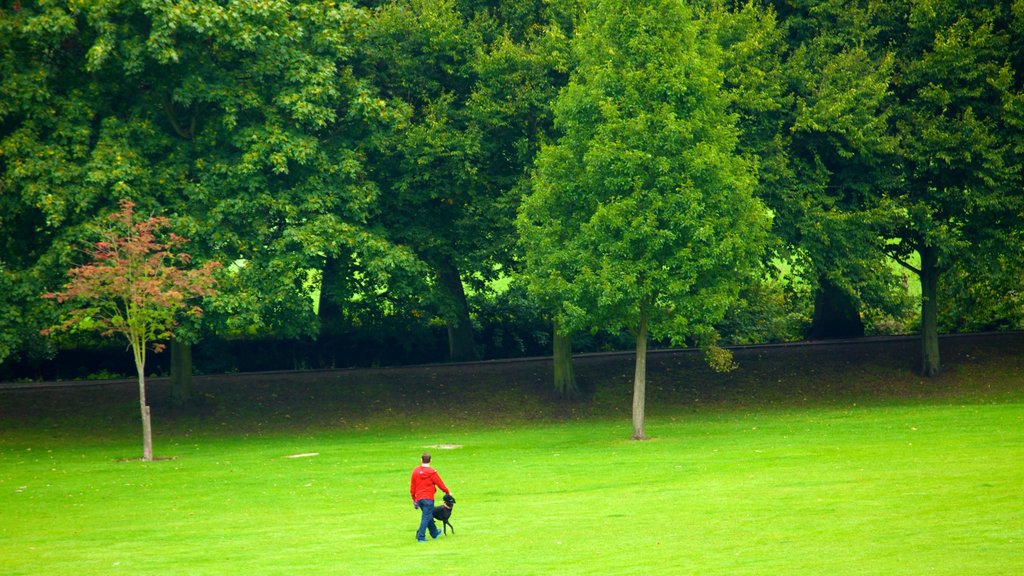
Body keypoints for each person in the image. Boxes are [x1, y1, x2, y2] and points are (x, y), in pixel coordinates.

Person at [410, 452, 451, 542]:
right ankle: (421, 536)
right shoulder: (432, 472)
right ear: (430, 460)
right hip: (428, 498)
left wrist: (413, 498)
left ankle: (434, 532)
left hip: (419, 498)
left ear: (421, 459)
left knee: (428, 515)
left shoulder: (415, 471)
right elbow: (440, 483)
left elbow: (412, 486)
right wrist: (447, 491)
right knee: (426, 517)